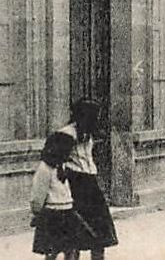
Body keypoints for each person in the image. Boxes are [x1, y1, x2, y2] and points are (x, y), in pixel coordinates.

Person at [57, 100, 118, 259]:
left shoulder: (87, 134)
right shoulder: (66, 134)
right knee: (74, 235)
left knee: (100, 234)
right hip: (75, 185)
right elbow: (57, 163)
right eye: (93, 118)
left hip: (91, 185)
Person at [31, 131, 93, 260]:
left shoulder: (62, 165)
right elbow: (38, 195)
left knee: (72, 249)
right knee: (52, 250)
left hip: (68, 213)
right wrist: (37, 212)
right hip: (53, 214)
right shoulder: (44, 169)